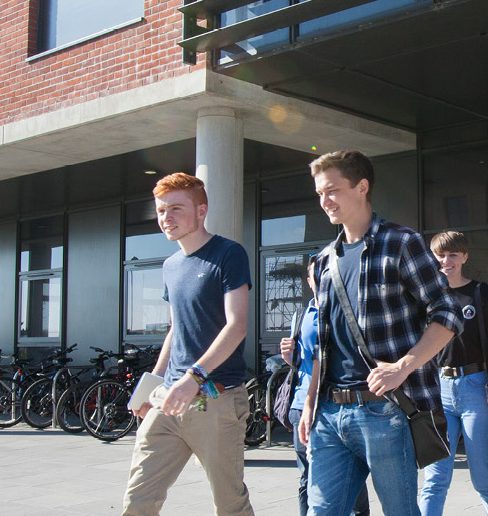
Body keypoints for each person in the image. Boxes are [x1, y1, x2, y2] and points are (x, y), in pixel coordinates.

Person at [298, 150, 463, 516]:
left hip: (384, 412)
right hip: (329, 413)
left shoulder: (401, 243)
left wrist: (403, 366)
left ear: (362, 187)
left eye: (333, 190)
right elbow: (323, 346)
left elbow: (447, 312)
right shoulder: (324, 261)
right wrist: (310, 403)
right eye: (319, 193)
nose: (324, 201)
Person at [120, 173, 256, 516]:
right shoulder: (171, 265)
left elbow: (237, 326)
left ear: (201, 211)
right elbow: (175, 329)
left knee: (229, 504)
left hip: (215, 399)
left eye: (176, 209)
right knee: (138, 499)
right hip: (169, 399)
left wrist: (193, 377)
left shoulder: (228, 254)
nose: (167, 217)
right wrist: (151, 385)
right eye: (162, 210)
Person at [418, 231, 488, 516]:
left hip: (475, 388)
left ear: (465, 257)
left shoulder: (480, 293)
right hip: (439, 389)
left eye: (453, 255)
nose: (447, 261)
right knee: (434, 480)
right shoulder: (427, 298)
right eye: (441, 256)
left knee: (483, 478)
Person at [280, 263, 371, 516]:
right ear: (309, 281)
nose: (320, 280)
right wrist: (290, 357)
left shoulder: (345, 310)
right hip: (303, 405)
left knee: (351, 475)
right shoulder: (302, 314)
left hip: (335, 403)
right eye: (314, 277)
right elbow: (303, 365)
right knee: (309, 479)